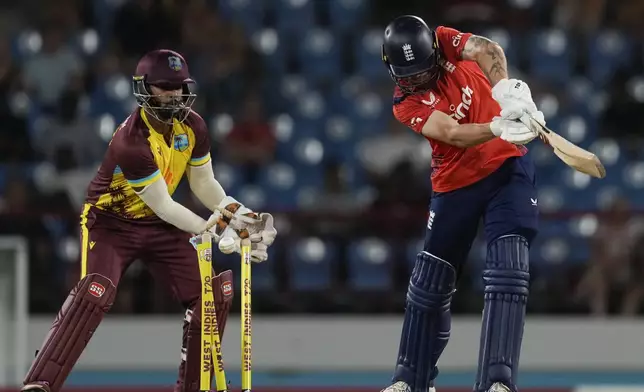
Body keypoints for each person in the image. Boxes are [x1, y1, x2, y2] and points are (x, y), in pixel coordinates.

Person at [21, 49, 277, 392]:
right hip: (112, 222)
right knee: (95, 291)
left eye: (178, 87)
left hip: (161, 228)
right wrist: (219, 228)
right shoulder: (131, 141)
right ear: (144, 88)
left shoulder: (194, 125)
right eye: (163, 87)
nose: (173, 95)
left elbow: (204, 184)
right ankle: (40, 383)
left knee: (209, 297)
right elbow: (165, 206)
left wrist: (242, 218)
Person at [379, 16, 545, 392]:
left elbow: (488, 50)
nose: (418, 81)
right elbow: (452, 133)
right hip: (455, 182)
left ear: (435, 52)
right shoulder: (405, 104)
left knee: (508, 271)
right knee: (430, 282)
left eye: (423, 72)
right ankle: (410, 379)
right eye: (409, 76)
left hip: (508, 167)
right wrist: (497, 126)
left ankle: (497, 382)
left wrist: (509, 92)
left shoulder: (446, 40)